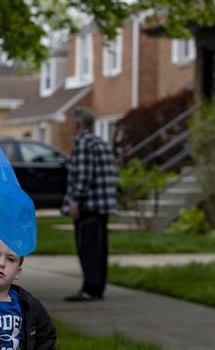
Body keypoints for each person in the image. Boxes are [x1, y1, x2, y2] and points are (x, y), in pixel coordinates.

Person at [61, 107, 119, 302]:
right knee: (99, 249)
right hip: (102, 205)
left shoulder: (83, 142)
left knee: (88, 248)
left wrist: (75, 200)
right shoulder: (100, 142)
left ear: (78, 124)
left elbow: (84, 175)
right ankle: (97, 288)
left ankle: (89, 289)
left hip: (89, 205)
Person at [0, 232, 57, 350]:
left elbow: (46, 338)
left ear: (18, 272)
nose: (1, 263)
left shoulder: (30, 306)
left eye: (10, 259)